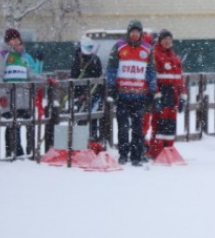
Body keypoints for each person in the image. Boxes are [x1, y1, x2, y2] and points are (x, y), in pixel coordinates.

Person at [106, 19, 157, 166]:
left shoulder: (147, 49)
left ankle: (136, 155)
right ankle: (123, 154)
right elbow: (111, 69)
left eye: (137, 32)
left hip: (140, 95)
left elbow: (151, 72)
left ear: (140, 34)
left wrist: (151, 91)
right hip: (122, 94)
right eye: (132, 32)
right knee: (123, 127)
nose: (134, 35)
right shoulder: (119, 47)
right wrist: (112, 87)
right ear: (128, 33)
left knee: (138, 128)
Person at [0, 28, 43, 158]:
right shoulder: (1, 56)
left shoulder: (23, 57)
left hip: (25, 98)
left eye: (17, 38)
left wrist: (44, 79)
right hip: (10, 98)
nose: (15, 41)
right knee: (12, 126)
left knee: (28, 124)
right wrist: (1, 96)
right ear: (7, 41)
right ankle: (13, 151)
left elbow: (30, 74)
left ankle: (30, 151)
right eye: (12, 39)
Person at [147, 29, 187, 159]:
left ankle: (169, 150)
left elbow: (180, 79)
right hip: (162, 94)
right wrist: (157, 96)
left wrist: (182, 97)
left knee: (171, 124)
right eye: (165, 39)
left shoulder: (175, 58)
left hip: (173, 95)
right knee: (159, 124)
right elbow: (153, 78)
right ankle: (157, 152)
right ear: (160, 40)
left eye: (170, 39)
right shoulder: (155, 55)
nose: (168, 41)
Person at [69, 35, 104, 143]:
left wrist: (95, 89)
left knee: (93, 117)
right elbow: (74, 76)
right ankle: (80, 140)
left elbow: (98, 76)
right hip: (80, 95)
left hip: (94, 93)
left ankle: (93, 138)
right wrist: (80, 93)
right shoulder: (77, 60)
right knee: (81, 117)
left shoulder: (95, 59)